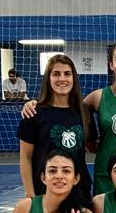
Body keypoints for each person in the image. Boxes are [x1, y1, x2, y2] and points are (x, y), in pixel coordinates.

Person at [23, 40, 116, 195]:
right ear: (111, 64)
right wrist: (35, 104)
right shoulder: (96, 98)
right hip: (106, 172)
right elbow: (68, 112)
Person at [18, 55, 94, 199]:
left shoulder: (84, 111)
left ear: (73, 78)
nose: (62, 79)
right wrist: (30, 196)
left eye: (67, 74)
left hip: (79, 191)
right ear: (48, 78)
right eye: (56, 74)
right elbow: (25, 157)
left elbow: (92, 146)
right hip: (45, 192)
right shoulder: (34, 113)